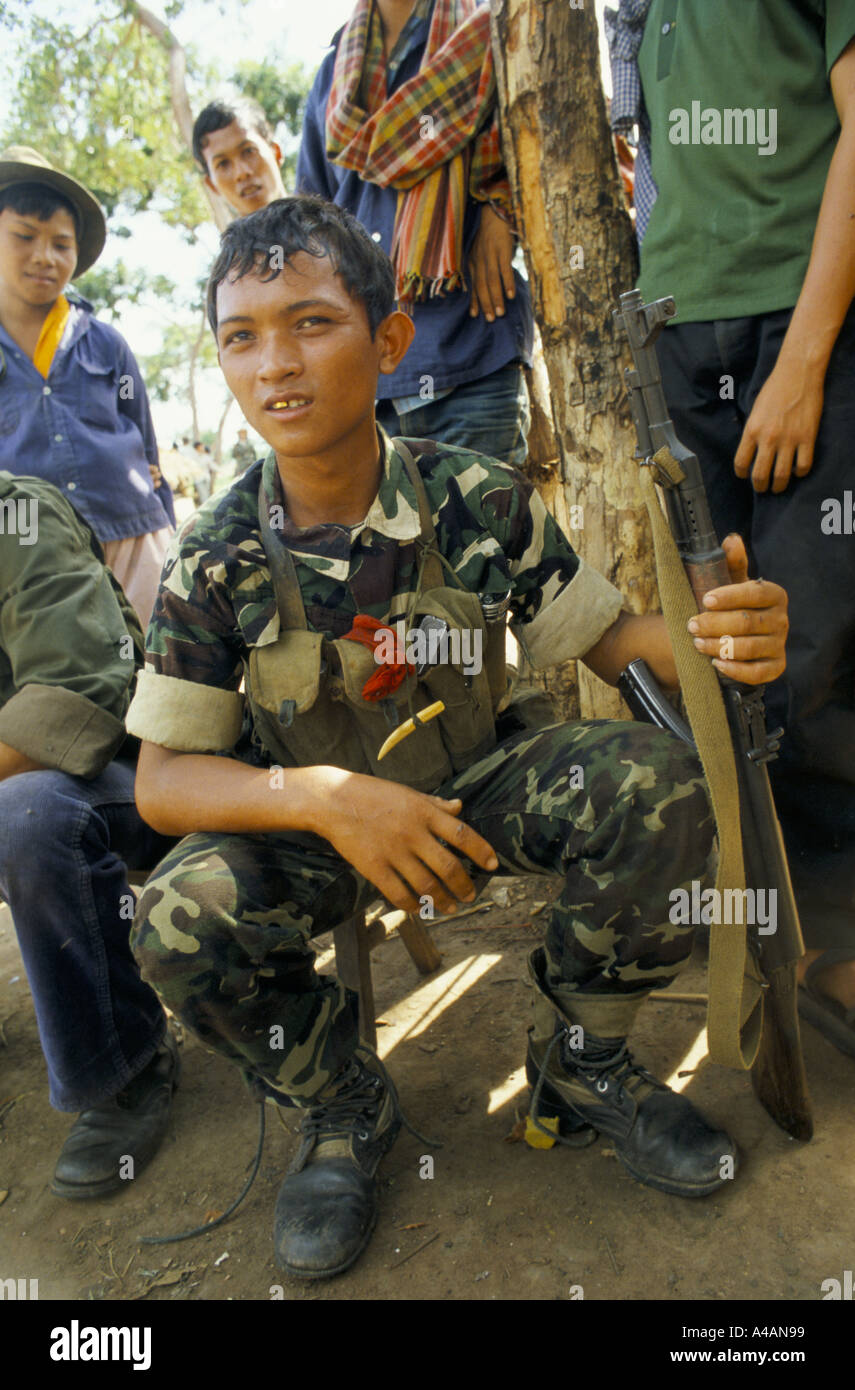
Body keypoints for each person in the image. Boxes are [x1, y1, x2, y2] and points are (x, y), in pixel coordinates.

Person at [125, 197, 789, 1279]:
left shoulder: (472, 495)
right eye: (241, 337)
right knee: (174, 916)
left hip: (474, 787)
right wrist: (326, 796)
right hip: (312, 830)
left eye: (310, 323)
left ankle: (581, 1067)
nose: (274, 365)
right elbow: (162, 781)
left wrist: (727, 629)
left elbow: (617, 640)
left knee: (662, 786)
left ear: (389, 342)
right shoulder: (216, 555)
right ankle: (340, 1104)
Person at [606, 0, 855, 1056]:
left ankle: (833, 940)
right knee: (726, 661)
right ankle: (769, 930)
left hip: (805, 316)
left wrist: (804, 357)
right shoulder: (637, 12)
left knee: (812, 641)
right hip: (678, 333)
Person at [0, 471, 178, 1198]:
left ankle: (124, 1062)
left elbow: (76, 686)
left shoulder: (14, 515)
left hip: (117, 782)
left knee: (27, 818)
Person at [296, 0, 534, 466]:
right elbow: (311, 226)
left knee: (491, 538)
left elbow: (536, 145)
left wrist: (501, 207)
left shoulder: (487, 28)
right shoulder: (334, 74)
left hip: (473, 357)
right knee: (382, 542)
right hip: (371, 388)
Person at [0, 147, 175, 628]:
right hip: (28, 550)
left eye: (61, 243)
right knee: (61, 685)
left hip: (131, 535)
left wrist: (168, 530)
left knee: (156, 672)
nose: (44, 256)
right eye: (23, 236)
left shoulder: (105, 343)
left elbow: (145, 443)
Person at [192, 95, 287, 217]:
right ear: (211, 184)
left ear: (276, 152)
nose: (241, 173)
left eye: (249, 151)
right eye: (223, 163)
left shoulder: (318, 223)